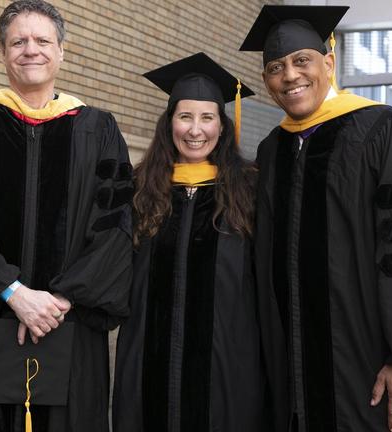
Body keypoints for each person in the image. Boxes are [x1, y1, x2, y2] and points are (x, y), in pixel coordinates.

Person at [240, 5, 392, 432]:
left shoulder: (389, 131)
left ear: (329, 63)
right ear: (266, 81)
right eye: (276, 67)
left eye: (302, 61)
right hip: (295, 369)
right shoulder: (271, 152)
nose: (290, 76)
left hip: (374, 362)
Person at [0, 0, 133, 431]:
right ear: (2, 53)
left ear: (61, 51)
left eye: (42, 40)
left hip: (66, 325)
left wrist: (60, 300)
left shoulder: (99, 129)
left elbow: (114, 225)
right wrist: (13, 292)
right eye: (18, 41)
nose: (30, 50)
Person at [112, 52, 267, 431]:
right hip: (148, 360)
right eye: (185, 117)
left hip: (228, 362)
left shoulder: (250, 189)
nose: (195, 130)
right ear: (169, 124)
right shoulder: (139, 187)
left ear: (222, 125)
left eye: (207, 117)